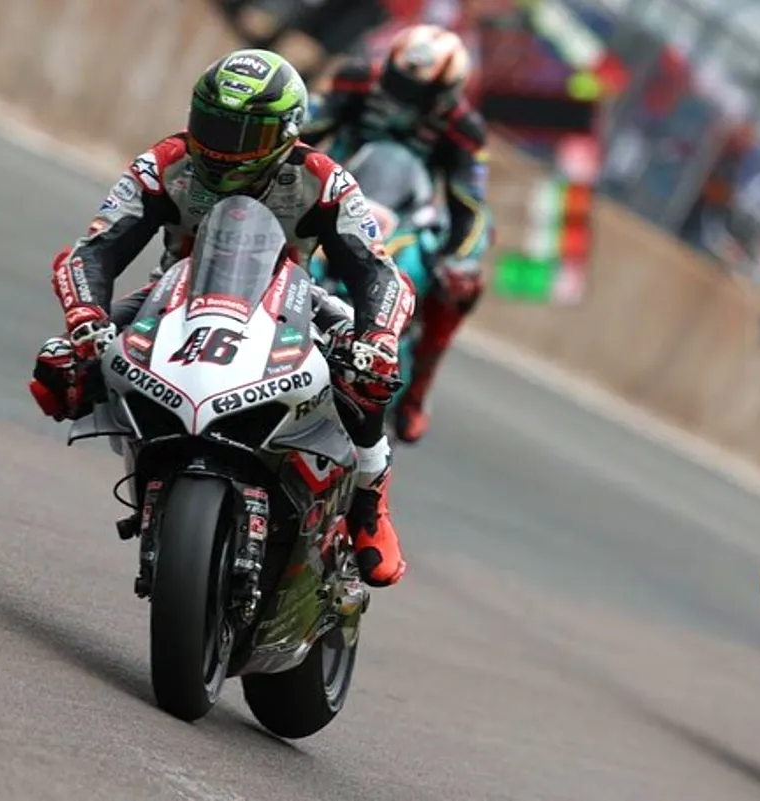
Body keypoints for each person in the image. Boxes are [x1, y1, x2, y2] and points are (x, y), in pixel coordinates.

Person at [27, 49, 415, 588]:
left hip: (292, 299)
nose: (222, 149)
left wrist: (377, 339)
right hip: (175, 291)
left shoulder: (324, 179)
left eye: (243, 136)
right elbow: (90, 253)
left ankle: (370, 503)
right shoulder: (165, 163)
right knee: (58, 373)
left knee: (369, 378)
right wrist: (86, 320)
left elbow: (381, 274)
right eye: (212, 126)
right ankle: (155, 464)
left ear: (285, 133)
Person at [299, 23, 493, 444]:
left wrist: (460, 258)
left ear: (445, 92)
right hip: (331, 189)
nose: (399, 96)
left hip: (408, 216)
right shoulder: (354, 79)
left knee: (462, 283)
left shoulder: (465, 130)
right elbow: (304, 131)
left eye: (414, 91)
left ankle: (417, 390)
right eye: (396, 81)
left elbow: (472, 208)